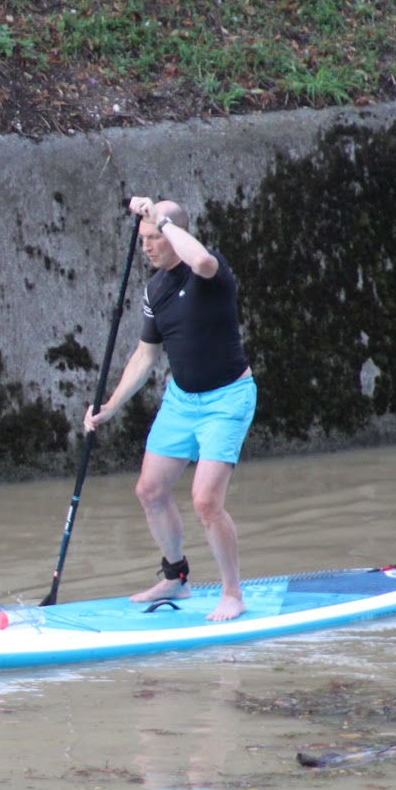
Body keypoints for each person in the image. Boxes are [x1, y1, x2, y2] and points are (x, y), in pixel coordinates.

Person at [84, 197, 256, 622]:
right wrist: (110, 407)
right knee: (149, 491)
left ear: (175, 233)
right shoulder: (155, 290)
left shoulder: (210, 271)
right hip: (181, 401)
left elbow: (197, 256)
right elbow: (144, 358)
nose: (146, 247)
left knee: (205, 502)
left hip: (227, 400)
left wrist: (162, 218)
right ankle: (176, 576)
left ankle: (232, 593)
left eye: (154, 237)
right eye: (141, 239)